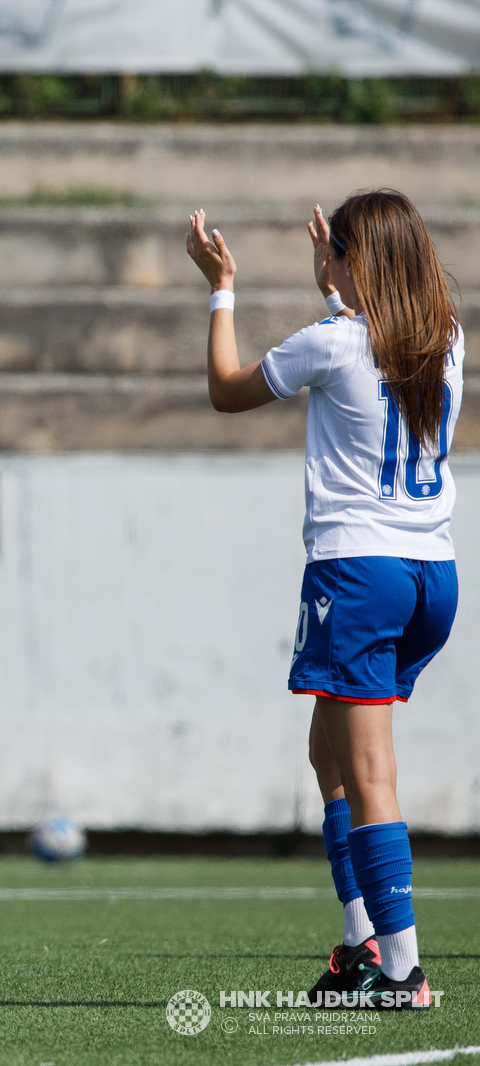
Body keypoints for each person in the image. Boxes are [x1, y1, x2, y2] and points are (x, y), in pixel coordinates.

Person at [187, 191, 458, 1011]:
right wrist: (337, 284)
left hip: (359, 572)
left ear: (350, 261)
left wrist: (220, 287)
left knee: (367, 770)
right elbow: (375, 342)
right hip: (432, 575)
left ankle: (403, 970)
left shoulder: (333, 343)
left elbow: (228, 390)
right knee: (330, 754)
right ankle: (359, 941)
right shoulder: (446, 339)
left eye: (335, 253)